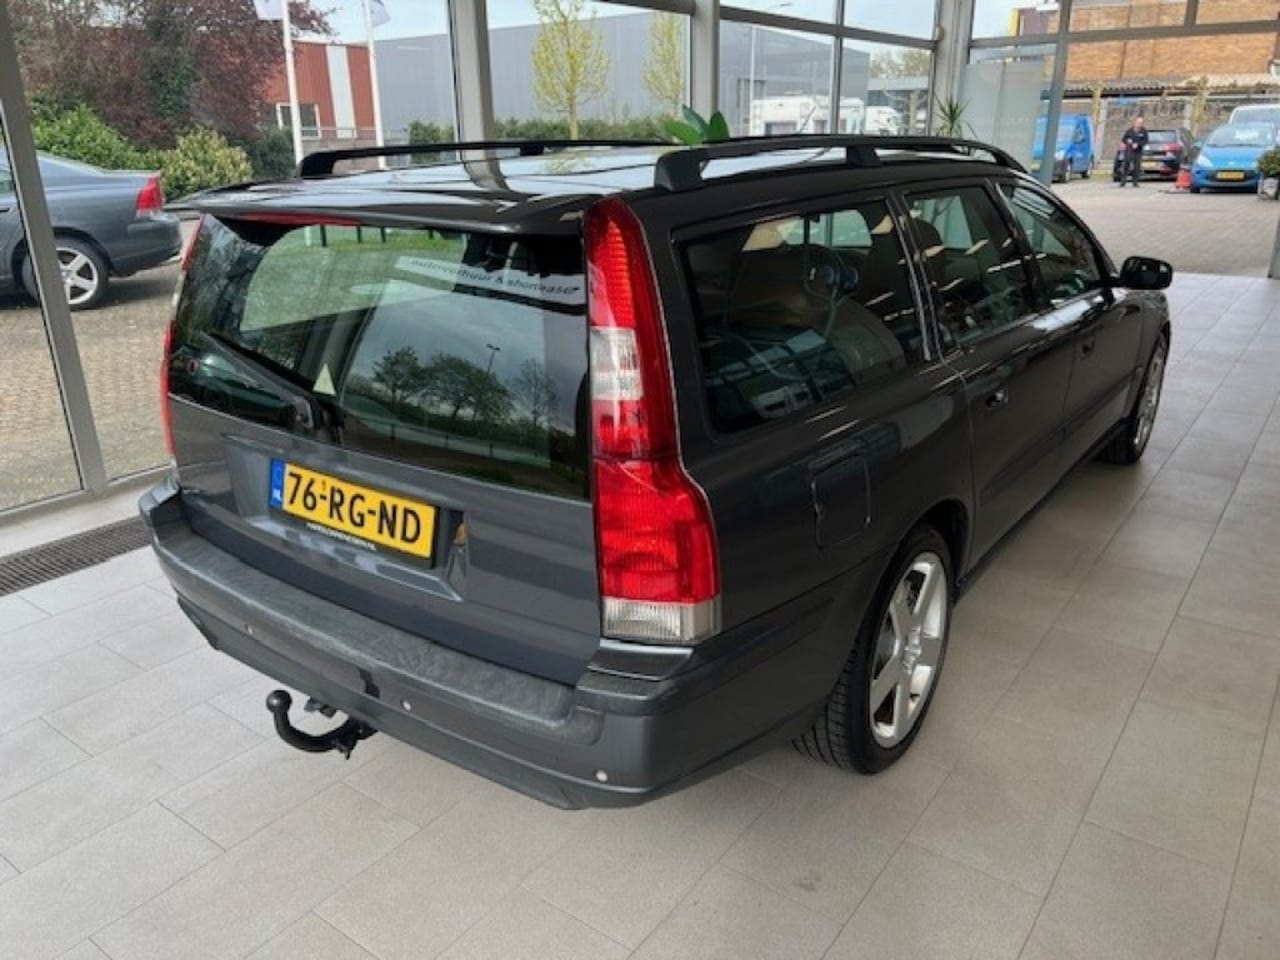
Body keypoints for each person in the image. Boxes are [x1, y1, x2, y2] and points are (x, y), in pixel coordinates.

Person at [1119, 115, 1149, 187]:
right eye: (1138, 122)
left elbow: (1145, 141)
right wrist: (1128, 141)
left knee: (1137, 167)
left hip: (1138, 151)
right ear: (1135, 122)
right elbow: (1124, 139)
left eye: (1141, 122)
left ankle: (1135, 182)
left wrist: (1138, 144)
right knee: (1126, 165)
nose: (1139, 123)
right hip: (1129, 151)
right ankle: (1123, 181)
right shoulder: (1129, 130)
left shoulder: (1144, 131)